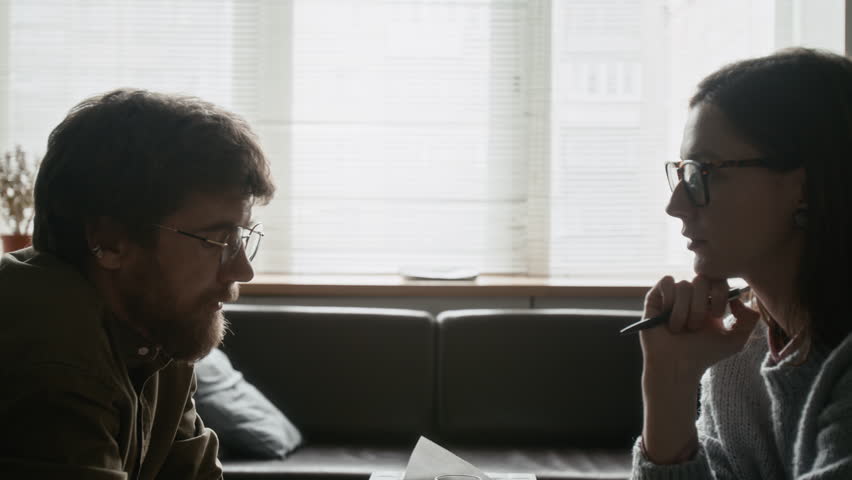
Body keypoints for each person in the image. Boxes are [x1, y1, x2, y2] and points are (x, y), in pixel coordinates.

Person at [0, 89, 275, 479]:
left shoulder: (156, 325)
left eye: (241, 237)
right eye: (217, 240)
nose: (242, 271)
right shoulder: (52, 349)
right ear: (110, 243)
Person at [631, 47, 852, 478]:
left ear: (804, 186)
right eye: (681, 173)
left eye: (702, 173)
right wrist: (668, 387)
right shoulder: (741, 354)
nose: (676, 205)